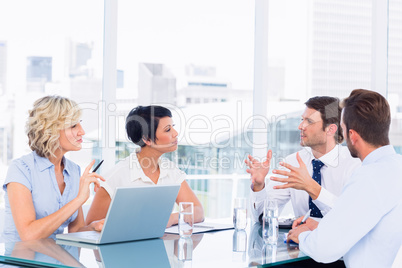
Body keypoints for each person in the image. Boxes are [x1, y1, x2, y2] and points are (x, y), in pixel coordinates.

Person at [287, 89, 402, 267]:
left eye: (342, 128)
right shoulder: (395, 167)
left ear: (352, 136)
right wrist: (318, 224)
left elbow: (322, 249)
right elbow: (366, 224)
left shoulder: (368, 177)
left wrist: (301, 236)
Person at [2, 95, 105, 242]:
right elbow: (29, 235)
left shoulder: (73, 170)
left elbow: (75, 230)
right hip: (18, 260)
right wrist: (79, 199)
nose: (82, 132)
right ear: (50, 130)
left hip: (54, 258)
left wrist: (94, 227)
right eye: (73, 125)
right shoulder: (21, 169)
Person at [85, 105, 204, 227]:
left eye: (173, 127)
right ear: (147, 139)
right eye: (168, 129)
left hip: (162, 243)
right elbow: (89, 227)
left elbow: (198, 211)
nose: (175, 133)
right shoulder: (115, 177)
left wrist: (171, 218)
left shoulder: (170, 170)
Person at [246, 96, 361, 222]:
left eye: (309, 121)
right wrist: (258, 186)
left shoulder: (354, 164)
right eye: (302, 120)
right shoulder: (293, 162)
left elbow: (351, 217)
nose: (300, 126)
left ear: (330, 129)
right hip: (299, 241)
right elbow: (262, 217)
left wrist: (311, 187)